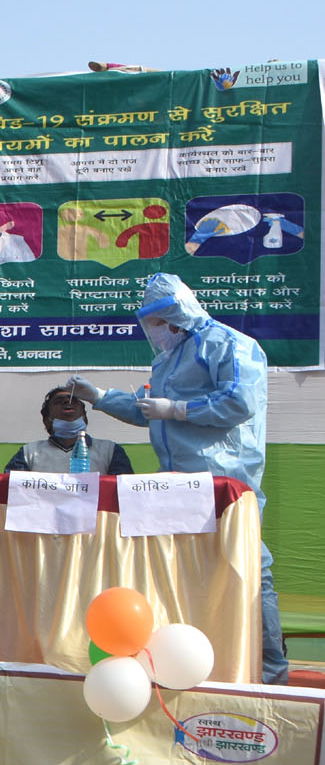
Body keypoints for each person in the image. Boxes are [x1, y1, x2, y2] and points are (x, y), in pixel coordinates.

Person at [67, 272, 284, 684]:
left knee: (249, 569)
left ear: (180, 311)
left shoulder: (230, 344)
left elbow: (240, 401)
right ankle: (192, 664)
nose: (155, 328)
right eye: (149, 320)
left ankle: (270, 672)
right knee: (182, 571)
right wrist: (100, 398)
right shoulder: (168, 357)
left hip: (224, 482)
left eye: (160, 318)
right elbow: (150, 409)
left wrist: (178, 410)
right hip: (175, 484)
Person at [3, 385, 134, 476]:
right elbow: (12, 491)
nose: (67, 401)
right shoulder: (28, 453)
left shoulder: (110, 451)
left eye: (74, 400)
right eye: (59, 401)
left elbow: (122, 494)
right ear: (47, 420)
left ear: (85, 418)